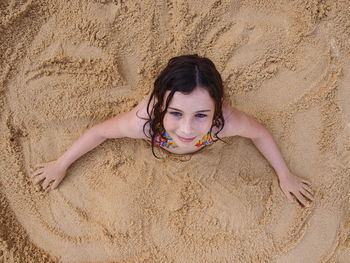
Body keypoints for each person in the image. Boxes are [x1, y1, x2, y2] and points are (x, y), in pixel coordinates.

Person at [29, 54, 315, 207]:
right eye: (176, 113)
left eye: (201, 114)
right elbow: (100, 132)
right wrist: (61, 163)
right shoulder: (143, 121)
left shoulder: (225, 120)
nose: (187, 128)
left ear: (216, 108)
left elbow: (260, 133)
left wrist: (285, 175)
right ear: (160, 105)